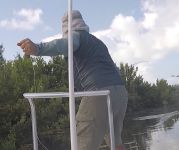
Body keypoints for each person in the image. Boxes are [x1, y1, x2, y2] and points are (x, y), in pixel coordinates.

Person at [17, 10, 128, 150]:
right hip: (120, 93)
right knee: (114, 140)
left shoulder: (75, 36)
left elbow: (66, 44)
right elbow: (114, 69)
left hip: (98, 94)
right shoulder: (97, 42)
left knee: (81, 143)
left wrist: (38, 49)